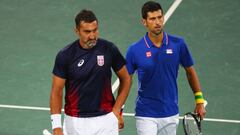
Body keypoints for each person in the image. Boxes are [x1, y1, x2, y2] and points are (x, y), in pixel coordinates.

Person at [125, 1, 206, 135]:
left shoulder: (178, 44)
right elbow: (126, 80)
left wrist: (199, 100)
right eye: (152, 19)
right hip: (146, 113)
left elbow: (190, 72)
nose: (157, 22)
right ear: (144, 22)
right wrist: (119, 109)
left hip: (170, 112)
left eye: (159, 17)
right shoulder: (134, 50)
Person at [50, 9, 131, 135]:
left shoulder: (109, 49)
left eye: (95, 30)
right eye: (87, 32)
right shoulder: (65, 55)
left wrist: (117, 110)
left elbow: (126, 78)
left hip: (106, 120)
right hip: (75, 122)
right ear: (77, 31)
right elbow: (56, 91)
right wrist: (56, 127)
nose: (92, 36)